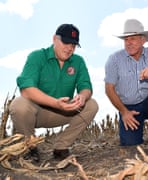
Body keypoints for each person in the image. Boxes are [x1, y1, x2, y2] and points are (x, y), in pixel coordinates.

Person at [9, 23, 99, 161]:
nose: (69, 48)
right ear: (54, 39)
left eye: (73, 45)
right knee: (18, 105)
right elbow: (26, 90)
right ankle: (30, 147)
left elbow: (86, 86)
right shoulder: (37, 56)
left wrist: (82, 95)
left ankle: (61, 147)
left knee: (91, 104)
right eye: (66, 42)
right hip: (37, 112)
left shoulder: (78, 61)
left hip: (64, 111)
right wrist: (55, 103)